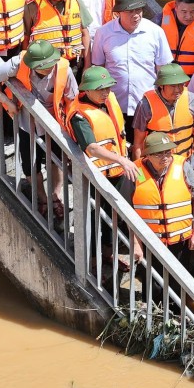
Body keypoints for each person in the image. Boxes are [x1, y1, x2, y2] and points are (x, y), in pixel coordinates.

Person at [0, 41, 78, 217]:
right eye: (43, 66)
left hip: (55, 124)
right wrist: (7, 102)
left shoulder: (64, 69)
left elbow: (73, 103)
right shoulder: (17, 63)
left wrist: (71, 135)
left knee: (57, 161)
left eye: (51, 64)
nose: (49, 68)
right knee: (30, 164)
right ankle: (42, 199)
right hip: (27, 123)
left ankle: (56, 197)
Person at [66, 66, 139, 268]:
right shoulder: (79, 114)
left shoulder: (109, 100)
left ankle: (108, 252)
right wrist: (122, 160)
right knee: (93, 218)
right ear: (87, 89)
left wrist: (122, 161)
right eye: (100, 89)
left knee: (113, 215)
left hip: (116, 172)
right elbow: (91, 148)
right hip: (95, 176)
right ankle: (90, 261)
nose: (105, 92)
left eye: (107, 88)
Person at [88, 0, 173, 144]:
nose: (136, 15)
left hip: (148, 105)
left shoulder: (156, 32)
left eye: (139, 10)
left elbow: (164, 71)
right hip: (114, 104)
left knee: (147, 148)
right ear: (118, 12)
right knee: (117, 145)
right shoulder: (103, 33)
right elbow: (98, 68)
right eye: (130, 11)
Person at [123, 132, 194, 266]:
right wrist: (136, 243)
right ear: (148, 155)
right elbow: (126, 209)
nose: (165, 157)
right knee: (151, 279)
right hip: (150, 241)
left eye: (168, 152)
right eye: (159, 154)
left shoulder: (183, 166)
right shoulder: (135, 171)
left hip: (180, 241)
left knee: (178, 277)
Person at [132, 63, 194, 170]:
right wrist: (141, 173)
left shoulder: (192, 99)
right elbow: (138, 143)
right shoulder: (145, 105)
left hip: (186, 163)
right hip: (157, 166)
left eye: (181, 84)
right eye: (173, 86)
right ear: (161, 85)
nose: (178, 90)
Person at [24, 0, 91, 65]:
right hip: (45, 65)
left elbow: (85, 34)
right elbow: (25, 38)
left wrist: (87, 64)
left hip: (75, 63)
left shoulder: (76, 2)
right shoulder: (32, 6)